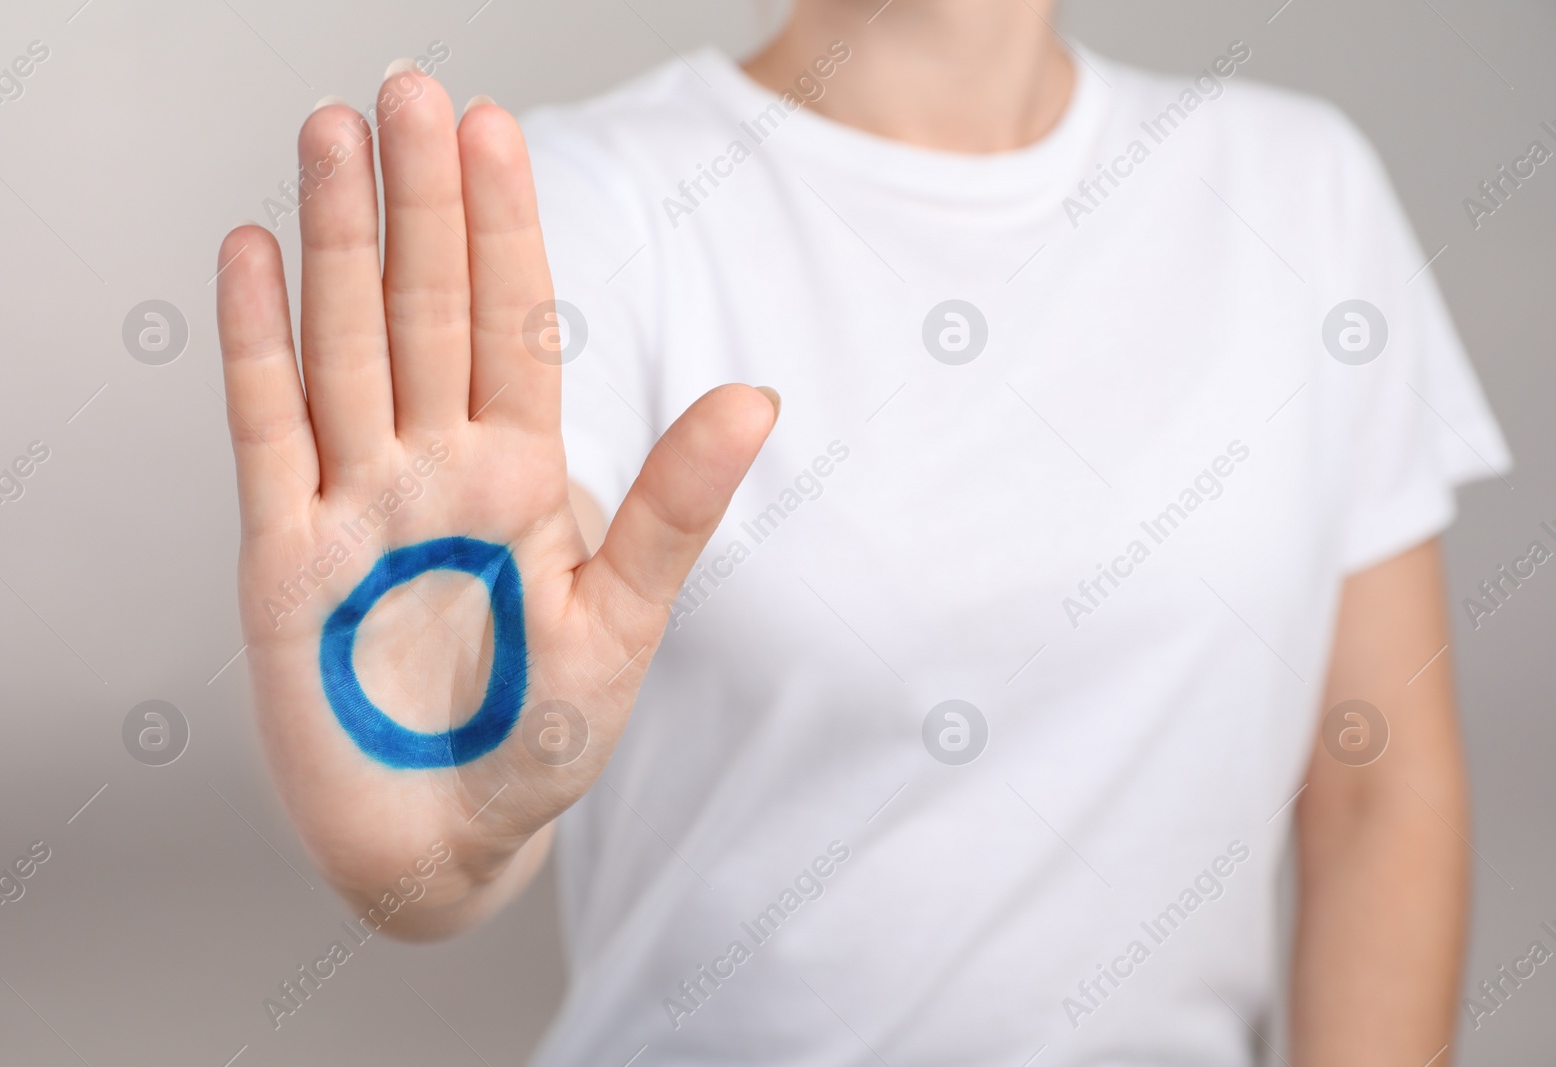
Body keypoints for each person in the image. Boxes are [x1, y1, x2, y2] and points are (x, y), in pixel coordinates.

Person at [214, 1, 1509, 1062]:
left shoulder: (1302, 191)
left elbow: (1376, 788)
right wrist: (457, 816)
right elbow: (502, 658)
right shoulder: (591, 204)